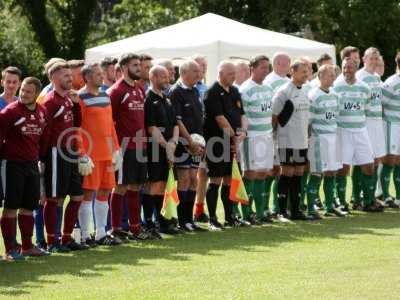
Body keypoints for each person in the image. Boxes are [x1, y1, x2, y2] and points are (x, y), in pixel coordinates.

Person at [0, 77, 49, 260]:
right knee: (11, 206)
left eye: (28, 91)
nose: (23, 94)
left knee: (29, 206)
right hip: (12, 164)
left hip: (32, 165)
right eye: (22, 90)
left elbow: (43, 138)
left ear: (36, 94)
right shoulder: (10, 111)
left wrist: (41, 159)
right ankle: (10, 249)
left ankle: (27, 247)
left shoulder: (42, 112)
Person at [41, 61, 88, 252]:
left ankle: (67, 238)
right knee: (55, 198)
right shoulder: (50, 101)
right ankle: (52, 241)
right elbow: (45, 132)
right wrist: (42, 158)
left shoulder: (69, 98)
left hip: (72, 152)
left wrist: (76, 105)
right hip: (55, 152)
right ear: (53, 78)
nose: (70, 79)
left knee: (77, 196)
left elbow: (77, 125)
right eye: (65, 76)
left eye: (70, 75)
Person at [77, 63, 123, 246]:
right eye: (97, 74)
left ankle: (101, 233)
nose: (101, 76)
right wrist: (81, 153)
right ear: (87, 77)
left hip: (107, 153)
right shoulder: (80, 97)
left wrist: (117, 148)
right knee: (88, 194)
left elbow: (110, 125)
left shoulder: (105, 95)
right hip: (91, 154)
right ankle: (85, 235)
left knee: (105, 191)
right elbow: (77, 128)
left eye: (101, 74)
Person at [108, 53, 150, 241]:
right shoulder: (116, 91)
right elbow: (109, 122)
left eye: (139, 65)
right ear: (124, 67)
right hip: (124, 147)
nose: (139, 68)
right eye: (134, 65)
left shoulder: (140, 89)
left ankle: (135, 228)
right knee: (120, 187)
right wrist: (114, 148)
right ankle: (115, 228)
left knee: (136, 187)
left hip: (140, 146)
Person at [333, 57, 382, 212]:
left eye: (350, 67)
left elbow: (366, 109)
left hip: (361, 131)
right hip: (343, 131)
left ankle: (368, 201)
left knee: (368, 166)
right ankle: (341, 202)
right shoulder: (336, 86)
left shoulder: (364, 87)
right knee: (343, 168)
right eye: (345, 67)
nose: (347, 70)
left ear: (356, 68)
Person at [203, 61, 248, 230]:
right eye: (230, 73)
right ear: (220, 73)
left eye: (234, 73)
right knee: (215, 180)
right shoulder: (212, 93)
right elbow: (220, 119)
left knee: (229, 179)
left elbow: (242, 114)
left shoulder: (235, 91)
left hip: (233, 141)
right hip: (216, 142)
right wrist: (234, 139)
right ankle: (212, 219)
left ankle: (230, 217)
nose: (233, 76)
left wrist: (243, 132)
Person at [143, 65, 179, 239]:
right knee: (154, 184)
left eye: (168, 77)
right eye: (163, 77)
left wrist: (173, 143)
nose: (167, 80)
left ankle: (163, 222)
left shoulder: (167, 98)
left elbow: (175, 125)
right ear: (153, 77)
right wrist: (166, 146)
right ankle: (149, 223)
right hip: (154, 148)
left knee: (165, 184)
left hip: (168, 147)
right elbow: (151, 128)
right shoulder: (148, 99)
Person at [169, 60, 205, 232]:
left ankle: (189, 220)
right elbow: (177, 120)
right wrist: (190, 142)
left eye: (200, 71)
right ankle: (181, 220)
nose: (199, 74)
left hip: (197, 144)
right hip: (184, 144)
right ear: (184, 73)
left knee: (194, 180)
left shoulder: (196, 90)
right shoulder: (176, 92)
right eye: (196, 71)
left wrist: (200, 142)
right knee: (184, 179)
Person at [307, 65, 347, 218]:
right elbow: (308, 122)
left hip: (333, 137)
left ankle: (330, 207)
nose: (333, 78)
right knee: (317, 173)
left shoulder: (335, 95)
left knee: (332, 172)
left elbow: (335, 117)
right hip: (319, 139)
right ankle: (311, 208)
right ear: (321, 76)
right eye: (330, 75)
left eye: (333, 75)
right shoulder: (313, 95)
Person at [272, 60, 310, 221]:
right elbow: (274, 116)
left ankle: (295, 210)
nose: (306, 74)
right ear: (292, 72)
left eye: (307, 71)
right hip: (287, 139)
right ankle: (281, 211)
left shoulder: (305, 90)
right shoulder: (284, 91)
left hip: (301, 140)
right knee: (287, 173)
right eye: (303, 71)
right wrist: (274, 136)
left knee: (299, 173)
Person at [239, 55, 274, 224]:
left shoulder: (268, 88)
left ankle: (260, 213)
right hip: (252, 137)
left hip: (267, 136)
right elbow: (242, 116)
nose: (266, 71)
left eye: (268, 67)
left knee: (263, 173)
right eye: (263, 67)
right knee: (250, 173)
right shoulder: (245, 89)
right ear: (252, 68)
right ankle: (246, 213)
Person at [355, 48, 390, 208]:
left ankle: (371, 196)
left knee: (376, 160)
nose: (374, 61)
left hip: (377, 122)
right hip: (366, 122)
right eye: (372, 58)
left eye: (377, 58)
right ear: (364, 59)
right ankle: (358, 198)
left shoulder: (377, 78)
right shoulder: (359, 76)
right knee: (363, 160)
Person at [263, 52, 291, 218]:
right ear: (279, 63)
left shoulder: (288, 82)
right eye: (288, 63)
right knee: (270, 170)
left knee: (281, 169)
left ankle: (277, 206)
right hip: (271, 132)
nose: (289, 66)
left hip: (286, 133)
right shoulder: (269, 82)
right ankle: (265, 206)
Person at [192, 54, 210, 223]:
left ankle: (199, 208)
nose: (203, 69)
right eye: (200, 66)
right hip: (191, 138)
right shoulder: (184, 88)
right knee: (189, 175)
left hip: (206, 137)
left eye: (205, 66)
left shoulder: (205, 88)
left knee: (203, 173)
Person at [381, 52, 400, 208]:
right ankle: (386, 196)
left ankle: (399, 197)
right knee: (390, 160)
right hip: (392, 124)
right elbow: (381, 103)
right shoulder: (391, 82)